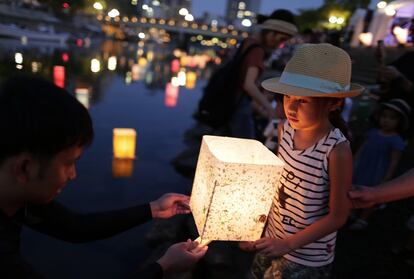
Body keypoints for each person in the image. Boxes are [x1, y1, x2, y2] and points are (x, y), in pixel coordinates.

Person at [0, 76, 207, 279]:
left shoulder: (17, 194)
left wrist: (154, 208)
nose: (73, 175)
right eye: (68, 163)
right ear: (25, 167)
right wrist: (164, 267)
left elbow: (75, 227)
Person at [240, 43, 363, 278]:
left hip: (307, 256)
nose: (291, 107)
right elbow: (277, 184)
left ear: (334, 103)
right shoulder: (284, 130)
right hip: (272, 238)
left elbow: (338, 216)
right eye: (287, 96)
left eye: (304, 100)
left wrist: (289, 244)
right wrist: (257, 228)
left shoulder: (336, 150)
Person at [229, 10, 298, 138]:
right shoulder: (257, 50)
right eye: (281, 39)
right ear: (271, 33)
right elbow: (248, 85)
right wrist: (269, 108)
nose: (279, 43)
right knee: (247, 143)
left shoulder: (248, 41)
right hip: (239, 104)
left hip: (231, 99)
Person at [349, 99, 410, 230]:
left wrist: (387, 177)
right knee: (356, 188)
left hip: (377, 172)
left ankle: (363, 218)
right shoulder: (371, 133)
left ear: (400, 121)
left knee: (372, 194)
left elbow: (394, 161)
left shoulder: (396, 141)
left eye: (392, 118)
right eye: (384, 116)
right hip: (362, 168)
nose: (386, 120)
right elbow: (362, 149)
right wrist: (354, 160)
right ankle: (352, 211)